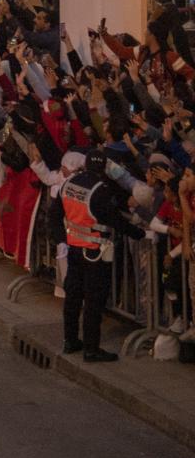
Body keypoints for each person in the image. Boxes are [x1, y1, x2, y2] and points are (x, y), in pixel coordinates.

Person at [60, 149, 146, 361]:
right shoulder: (100, 191)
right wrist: (139, 233)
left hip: (74, 249)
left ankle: (70, 340)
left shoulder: (69, 184)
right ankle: (91, 349)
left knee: (72, 298)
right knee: (93, 302)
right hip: (95, 253)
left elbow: (56, 213)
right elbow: (115, 220)